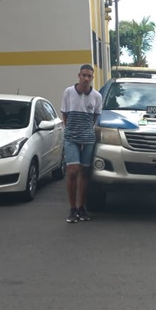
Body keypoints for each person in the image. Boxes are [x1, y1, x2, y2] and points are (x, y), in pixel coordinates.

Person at [61, 64, 102, 223]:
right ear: (79, 76)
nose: (86, 78)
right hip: (71, 136)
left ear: (92, 78)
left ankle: (81, 207)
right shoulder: (68, 92)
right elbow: (64, 114)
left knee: (85, 172)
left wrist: (86, 131)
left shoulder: (97, 96)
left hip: (88, 138)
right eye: (83, 75)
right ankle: (72, 209)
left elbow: (95, 118)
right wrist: (70, 129)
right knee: (72, 171)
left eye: (89, 76)